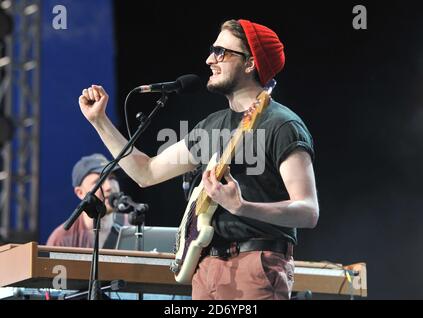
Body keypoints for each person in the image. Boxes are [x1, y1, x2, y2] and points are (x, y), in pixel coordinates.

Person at [78, 19, 319, 300]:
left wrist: (242, 207)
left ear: (250, 64)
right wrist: (100, 122)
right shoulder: (210, 126)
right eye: (211, 50)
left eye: (221, 52)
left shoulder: (282, 124)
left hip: (256, 264)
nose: (208, 59)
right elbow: (146, 172)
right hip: (206, 269)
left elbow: (308, 210)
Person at [47, 153, 123, 249]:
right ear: (80, 193)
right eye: (98, 181)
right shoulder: (62, 239)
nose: (109, 187)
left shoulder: (132, 226)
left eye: (112, 178)